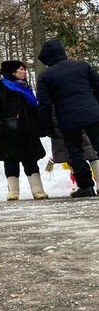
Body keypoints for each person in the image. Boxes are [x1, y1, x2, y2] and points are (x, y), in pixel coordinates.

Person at [37, 38, 99, 197]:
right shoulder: (83, 66)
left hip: (68, 118)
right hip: (93, 113)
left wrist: (48, 128)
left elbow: (44, 104)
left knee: (75, 152)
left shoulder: (45, 76)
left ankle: (86, 187)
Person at [0, 60, 47, 201]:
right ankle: (13, 191)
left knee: (31, 160)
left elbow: (33, 109)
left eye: (24, 69)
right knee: (10, 161)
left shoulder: (25, 87)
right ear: (12, 71)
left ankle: (38, 190)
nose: (24, 72)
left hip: (27, 131)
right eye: (21, 69)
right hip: (7, 132)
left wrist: (37, 126)